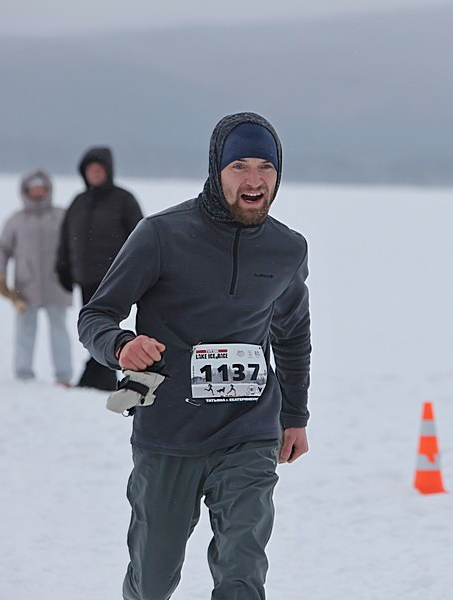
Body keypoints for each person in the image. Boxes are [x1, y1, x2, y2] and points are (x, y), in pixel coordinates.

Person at [78, 112, 311, 600]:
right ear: (216, 171)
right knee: (153, 576)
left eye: (265, 167)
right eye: (239, 167)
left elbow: (291, 336)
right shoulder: (161, 235)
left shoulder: (287, 249)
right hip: (169, 435)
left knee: (242, 572)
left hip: (249, 431)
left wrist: (294, 417)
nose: (254, 180)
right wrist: (122, 345)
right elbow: (95, 317)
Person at [57, 146, 143, 390]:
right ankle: (98, 377)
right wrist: (62, 268)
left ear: (108, 171)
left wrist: (140, 271)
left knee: (107, 326)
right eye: (90, 170)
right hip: (85, 277)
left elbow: (141, 239)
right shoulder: (78, 202)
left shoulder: (123, 200)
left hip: (115, 278)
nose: (94, 174)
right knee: (91, 326)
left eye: (99, 169)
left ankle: (97, 378)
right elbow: (65, 239)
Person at [0, 170, 73, 386]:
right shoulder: (16, 220)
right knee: (25, 329)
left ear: (48, 190)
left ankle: (64, 375)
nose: (38, 192)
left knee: (59, 329)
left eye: (41, 188)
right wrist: (0, 276)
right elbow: (2, 249)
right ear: (26, 191)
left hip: (58, 283)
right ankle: (23, 373)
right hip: (26, 286)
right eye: (33, 188)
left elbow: (75, 245)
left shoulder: (61, 216)